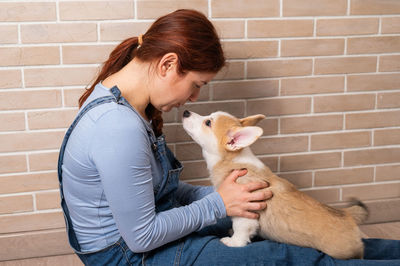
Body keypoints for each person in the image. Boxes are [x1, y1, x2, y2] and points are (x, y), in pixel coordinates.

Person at [58, 9, 400, 266]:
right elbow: (141, 237)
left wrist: (231, 193)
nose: (193, 99)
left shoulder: (129, 105)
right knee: (292, 256)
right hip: (123, 256)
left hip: (147, 226)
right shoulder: (117, 128)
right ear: (168, 64)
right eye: (196, 85)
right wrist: (220, 202)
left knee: (310, 230)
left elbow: (156, 191)